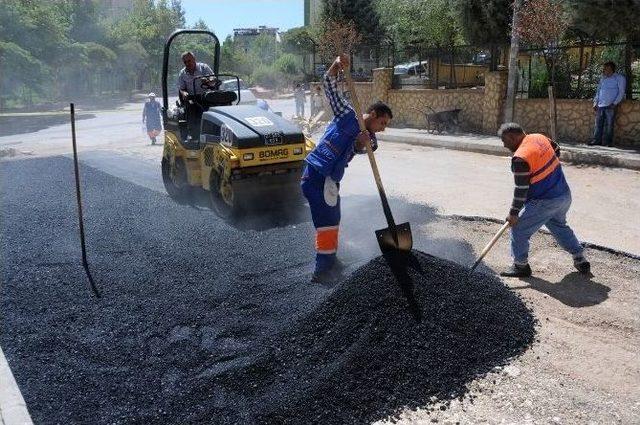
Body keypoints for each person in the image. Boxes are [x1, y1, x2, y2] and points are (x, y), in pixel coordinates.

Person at [301, 54, 393, 283]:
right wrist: (336, 65)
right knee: (326, 223)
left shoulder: (370, 137)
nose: (382, 129)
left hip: (330, 179)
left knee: (333, 218)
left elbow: (367, 147)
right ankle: (322, 270)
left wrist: (361, 143)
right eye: (382, 123)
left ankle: (329, 259)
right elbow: (328, 84)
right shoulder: (347, 114)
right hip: (317, 174)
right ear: (372, 114)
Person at [498, 122, 590, 278]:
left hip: (545, 201)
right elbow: (556, 149)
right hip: (563, 195)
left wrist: (513, 214)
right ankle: (579, 258)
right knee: (558, 226)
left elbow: (521, 190)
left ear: (512, 137)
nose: (505, 146)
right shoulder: (538, 137)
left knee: (518, 229)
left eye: (505, 141)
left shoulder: (520, 157)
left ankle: (520, 266)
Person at [177, 51, 215, 140]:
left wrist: (207, 80)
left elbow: (214, 79)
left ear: (194, 59)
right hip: (192, 98)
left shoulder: (204, 67)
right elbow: (181, 88)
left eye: (189, 61)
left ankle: (212, 132)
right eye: (185, 62)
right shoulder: (182, 73)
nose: (187, 63)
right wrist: (184, 93)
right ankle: (194, 134)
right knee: (190, 107)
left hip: (206, 96)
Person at [590, 61, 626, 147]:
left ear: (611, 69)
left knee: (609, 125)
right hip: (600, 105)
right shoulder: (603, 78)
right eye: (604, 68)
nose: (604, 70)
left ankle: (608, 142)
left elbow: (621, 92)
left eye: (606, 68)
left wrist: (615, 103)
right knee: (598, 124)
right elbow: (598, 91)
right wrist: (595, 102)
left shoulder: (619, 78)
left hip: (611, 105)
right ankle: (596, 141)